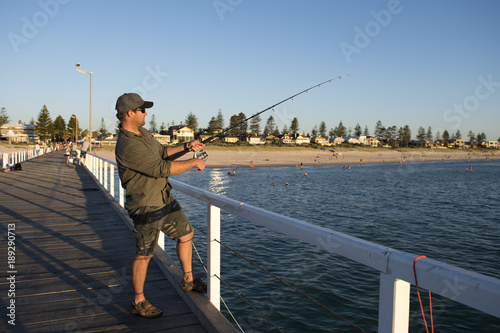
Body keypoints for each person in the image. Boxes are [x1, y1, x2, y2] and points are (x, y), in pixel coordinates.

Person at [114, 93, 207, 319]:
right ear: (130, 113)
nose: (146, 113)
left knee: (186, 234)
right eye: (142, 110)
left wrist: (187, 146)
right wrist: (194, 161)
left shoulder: (143, 133)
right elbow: (161, 168)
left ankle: (187, 280)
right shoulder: (127, 145)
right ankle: (138, 301)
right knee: (145, 254)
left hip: (163, 198)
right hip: (146, 205)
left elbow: (162, 153)